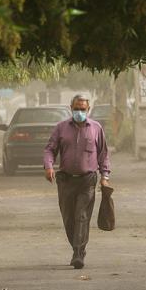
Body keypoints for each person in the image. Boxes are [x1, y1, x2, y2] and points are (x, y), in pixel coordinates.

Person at [43, 94, 111, 269]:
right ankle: (77, 247)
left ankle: (78, 254)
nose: (79, 112)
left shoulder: (96, 128)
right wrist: (48, 166)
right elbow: (50, 149)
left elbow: (103, 154)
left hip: (87, 180)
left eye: (83, 109)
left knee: (82, 216)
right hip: (65, 180)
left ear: (88, 110)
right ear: (70, 108)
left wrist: (105, 177)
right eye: (76, 108)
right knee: (69, 218)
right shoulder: (61, 128)